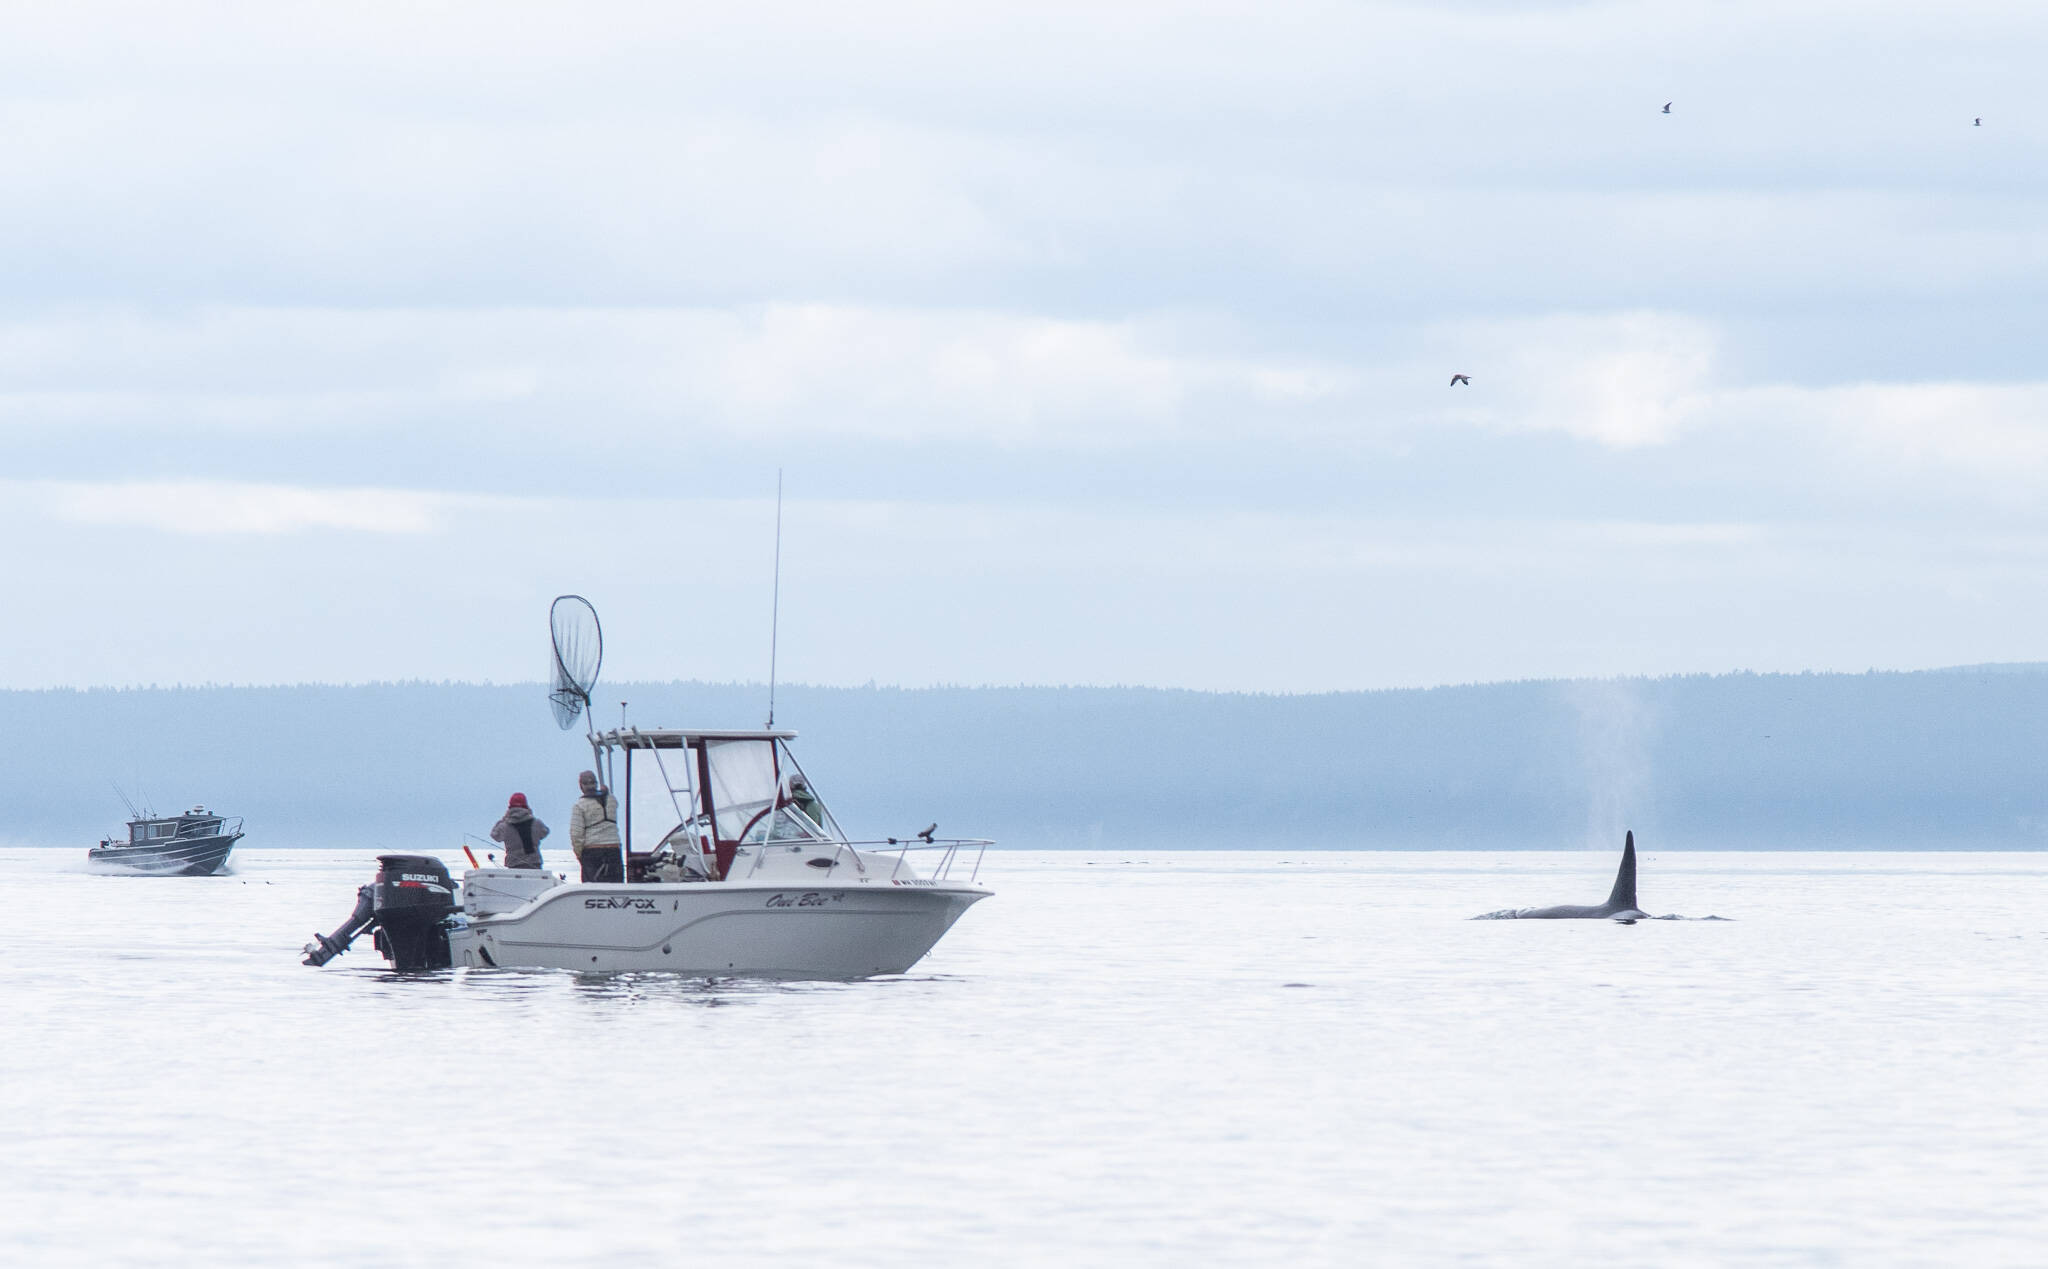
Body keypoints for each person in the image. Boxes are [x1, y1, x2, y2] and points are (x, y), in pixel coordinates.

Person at [569, 770, 622, 883]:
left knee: (592, 889)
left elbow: (576, 834)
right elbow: (614, 802)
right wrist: (605, 791)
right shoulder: (611, 800)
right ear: (596, 783)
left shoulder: (579, 805)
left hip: (592, 851)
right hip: (614, 848)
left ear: (581, 786)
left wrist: (579, 855)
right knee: (616, 888)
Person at [489, 793, 549, 870]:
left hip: (514, 864)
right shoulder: (536, 823)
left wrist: (503, 819)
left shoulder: (505, 825)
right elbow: (545, 832)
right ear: (526, 805)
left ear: (510, 807)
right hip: (534, 863)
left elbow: (495, 835)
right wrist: (530, 815)